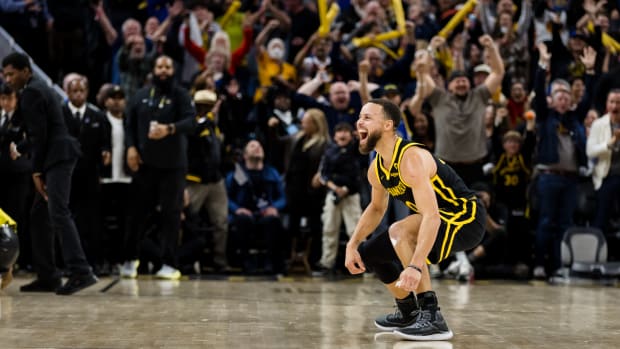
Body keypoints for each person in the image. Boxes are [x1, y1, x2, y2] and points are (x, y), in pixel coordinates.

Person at [344, 99, 485, 340]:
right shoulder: (376, 168)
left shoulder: (412, 159)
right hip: (435, 219)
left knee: (400, 231)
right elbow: (376, 208)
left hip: (466, 217)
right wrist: (353, 243)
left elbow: (432, 216)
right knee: (371, 254)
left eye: (367, 117)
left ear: (388, 125)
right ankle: (408, 311)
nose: (359, 122)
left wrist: (416, 266)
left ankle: (432, 317)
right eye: (359, 116)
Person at [2, 52, 98, 295]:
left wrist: (36, 171)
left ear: (26, 70)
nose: (8, 79)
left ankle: (81, 271)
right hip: (58, 154)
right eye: (4, 74)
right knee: (38, 214)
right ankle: (48, 275)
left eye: (11, 73)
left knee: (59, 212)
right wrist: (21, 147)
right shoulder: (37, 88)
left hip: (57, 157)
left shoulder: (33, 92)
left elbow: (40, 137)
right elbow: (35, 131)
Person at [124, 55, 196, 280]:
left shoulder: (181, 95)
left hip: (173, 167)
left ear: (173, 70)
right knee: (136, 214)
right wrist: (131, 148)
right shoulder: (141, 95)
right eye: (159, 66)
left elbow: (191, 122)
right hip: (145, 166)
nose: (163, 70)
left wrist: (170, 129)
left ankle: (169, 264)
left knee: (171, 216)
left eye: (167, 66)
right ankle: (129, 260)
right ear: (153, 70)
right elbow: (129, 124)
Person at [225, 140, 286, 274]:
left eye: (259, 146)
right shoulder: (237, 173)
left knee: (273, 221)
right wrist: (237, 209)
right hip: (245, 214)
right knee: (242, 220)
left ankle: (270, 262)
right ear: (245, 155)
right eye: (252, 146)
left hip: (265, 214)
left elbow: (282, 198)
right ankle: (246, 261)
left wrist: (274, 208)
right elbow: (226, 198)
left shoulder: (271, 172)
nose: (257, 148)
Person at [186, 89, 230, 272]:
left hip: (215, 180)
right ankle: (188, 260)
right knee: (189, 220)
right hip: (195, 181)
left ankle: (219, 260)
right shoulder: (192, 124)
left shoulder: (213, 125)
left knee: (221, 222)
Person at [314, 122, 362, 275]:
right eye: (339, 131)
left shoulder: (357, 150)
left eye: (346, 131)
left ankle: (362, 263)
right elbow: (324, 174)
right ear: (334, 136)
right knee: (329, 229)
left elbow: (358, 174)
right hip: (333, 194)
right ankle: (327, 263)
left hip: (351, 195)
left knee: (356, 231)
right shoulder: (329, 152)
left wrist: (346, 189)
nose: (342, 134)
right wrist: (335, 188)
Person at [586, 89, 620, 235]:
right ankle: (599, 253)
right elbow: (590, 151)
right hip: (605, 177)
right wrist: (610, 143)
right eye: (612, 102)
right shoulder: (598, 124)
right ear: (607, 104)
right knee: (601, 219)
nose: (615, 106)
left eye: (618, 102)